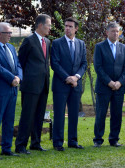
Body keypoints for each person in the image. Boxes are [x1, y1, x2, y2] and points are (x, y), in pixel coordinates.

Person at [15, 14, 51, 154]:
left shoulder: (47, 42)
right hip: (30, 86)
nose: (50, 28)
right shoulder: (29, 41)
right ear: (40, 25)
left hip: (44, 85)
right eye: (48, 25)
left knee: (39, 115)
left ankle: (35, 143)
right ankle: (21, 145)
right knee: (27, 115)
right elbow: (21, 62)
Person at [0, 22, 23, 159]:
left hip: (13, 89)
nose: (10, 35)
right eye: (8, 33)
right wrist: (11, 78)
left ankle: (7, 148)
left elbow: (18, 65)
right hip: (0, 90)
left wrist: (18, 77)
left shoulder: (11, 47)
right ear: (0, 34)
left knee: (9, 120)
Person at [50, 17, 87, 151]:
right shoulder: (57, 43)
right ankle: (58, 143)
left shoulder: (81, 44)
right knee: (59, 114)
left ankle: (72, 141)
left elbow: (84, 64)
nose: (67, 28)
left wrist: (76, 77)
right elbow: (54, 63)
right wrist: (67, 78)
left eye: (70, 26)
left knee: (73, 114)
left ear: (76, 28)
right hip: (61, 84)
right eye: (66, 26)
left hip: (76, 85)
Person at [93, 22, 125, 147]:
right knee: (101, 114)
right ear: (107, 32)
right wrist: (109, 82)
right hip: (104, 87)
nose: (116, 33)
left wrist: (119, 82)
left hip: (119, 88)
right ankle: (98, 139)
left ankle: (114, 139)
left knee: (116, 114)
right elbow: (98, 67)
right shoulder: (99, 47)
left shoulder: (123, 48)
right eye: (113, 31)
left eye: (117, 31)